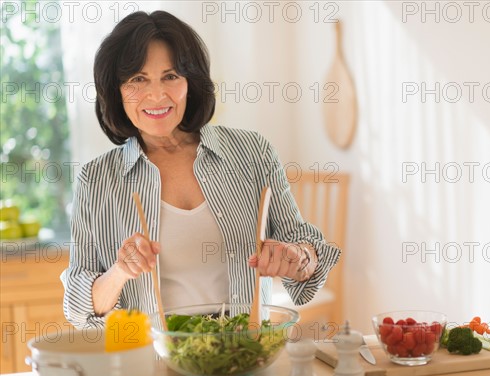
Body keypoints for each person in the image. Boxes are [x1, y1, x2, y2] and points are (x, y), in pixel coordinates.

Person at [61, 10, 341, 330]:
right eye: (138, 79)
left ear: (190, 83)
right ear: (116, 90)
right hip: (149, 362)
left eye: (170, 76)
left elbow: (302, 247)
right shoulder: (96, 180)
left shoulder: (253, 152)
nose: (156, 95)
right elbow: (78, 310)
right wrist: (119, 272)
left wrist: (299, 257)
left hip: (243, 355)